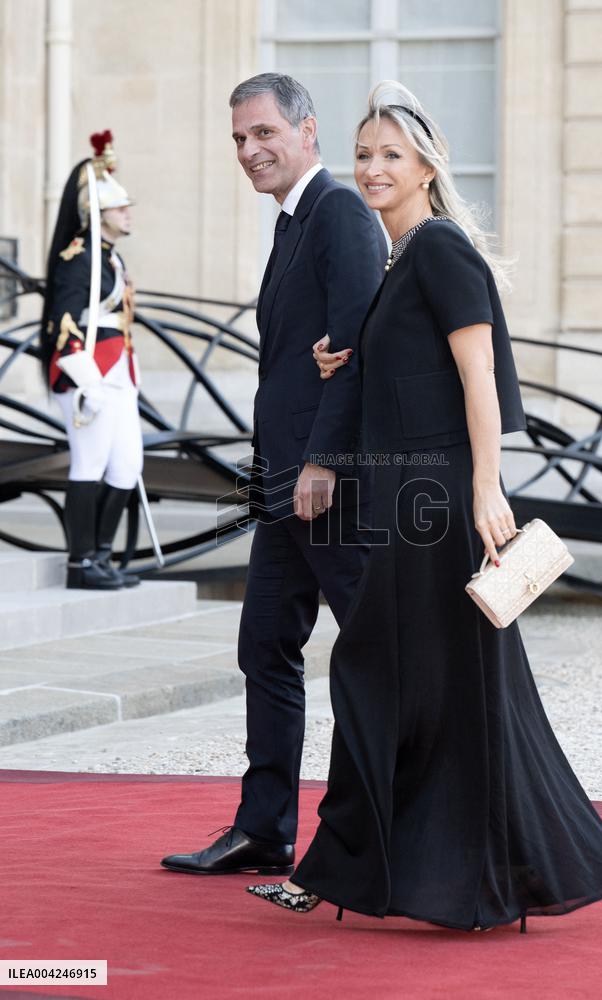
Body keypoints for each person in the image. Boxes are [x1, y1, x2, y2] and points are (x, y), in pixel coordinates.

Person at [246, 82, 602, 931]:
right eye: (363, 154)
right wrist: (339, 365)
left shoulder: (438, 249)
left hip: (443, 509)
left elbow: (479, 373)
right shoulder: (400, 264)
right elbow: (411, 368)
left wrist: (487, 486)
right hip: (405, 505)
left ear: (427, 166)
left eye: (391, 154)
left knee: (411, 680)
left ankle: (459, 877)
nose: (372, 168)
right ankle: (375, 870)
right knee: (414, 683)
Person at [160, 74, 386, 876]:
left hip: (326, 483)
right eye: (238, 140)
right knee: (265, 646)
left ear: (307, 132)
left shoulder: (341, 213)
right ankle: (264, 828)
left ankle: (370, 836)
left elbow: (354, 349)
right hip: (282, 482)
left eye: (264, 134)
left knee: (366, 654)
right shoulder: (294, 223)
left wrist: (325, 459)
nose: (251, 151)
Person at [41, 131, 142, 590]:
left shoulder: (110, 260)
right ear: (98, 215)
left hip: (118, 371)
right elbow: (64, 322)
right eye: (120, 208)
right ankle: (80, 563)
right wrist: (86, 382)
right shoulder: (77, 260)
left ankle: (101, 555)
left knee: (126, 466)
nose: (127, 213)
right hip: (88, 374)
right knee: (90, 463)